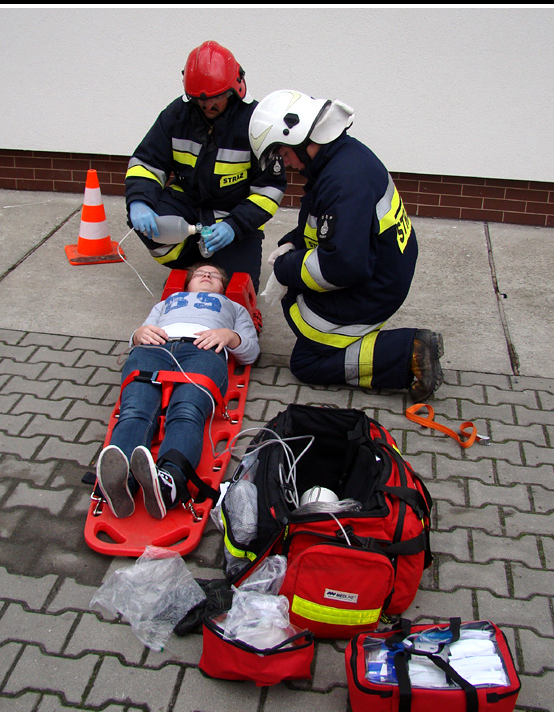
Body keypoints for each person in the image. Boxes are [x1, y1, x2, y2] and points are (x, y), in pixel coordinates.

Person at [248, 89, 444, 401]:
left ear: (298, 138)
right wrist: (292, 243)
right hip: (382, 269)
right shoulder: (338, 159)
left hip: (375, 285)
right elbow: (324, 226)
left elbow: (341, 265)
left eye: (284, 154)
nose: (287, 164)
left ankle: (411, 352)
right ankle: (402, 350)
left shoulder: (343, 179)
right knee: (308, 349)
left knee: (306, 362)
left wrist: (287, 269)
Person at [96, 263, 260, 520]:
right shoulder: (168, 302)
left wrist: (229, 336)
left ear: (224, 287)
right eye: (199, 273)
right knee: (135, 411)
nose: (206, 275)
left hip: (203, 351)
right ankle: (121, 480)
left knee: (186, 411)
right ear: (187, 283)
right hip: (154, 348)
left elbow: (251, 351)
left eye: (214, 275)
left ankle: (169, 481)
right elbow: (140, 334)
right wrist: (137, 334)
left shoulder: (234, 307)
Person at [125, 41, 287, 294]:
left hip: (233, 212)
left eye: (216, 99)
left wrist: (234, 226)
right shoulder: (177, 114)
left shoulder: (257, 124)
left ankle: (215, 259)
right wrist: (139, 202)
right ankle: (195, 263)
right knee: (150, 225)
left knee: (236, 288)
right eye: (201, 101)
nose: (207, 107)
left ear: (234, 90)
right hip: (187, 200)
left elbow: (269, 190)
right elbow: (147, 162)